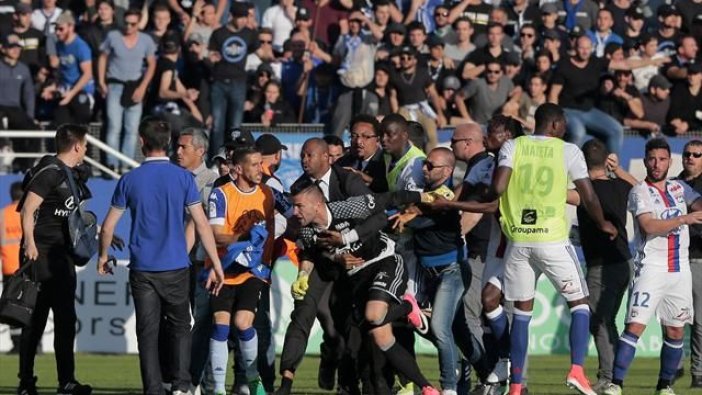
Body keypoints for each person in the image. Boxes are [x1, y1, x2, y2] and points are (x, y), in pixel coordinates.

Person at [486, 103, 617, 395]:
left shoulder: (513, 145)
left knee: (521, 312)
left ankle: (516, 386)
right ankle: (577, 371)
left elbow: (497, 188)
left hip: (519, 240)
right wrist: (603, 223)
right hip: (552, 239)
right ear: (556, 125)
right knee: (580, 303)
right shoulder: (568, 150)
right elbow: (589, 195)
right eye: (565, 124)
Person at [97, 118, 225, 395]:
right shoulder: (183, 178)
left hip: (143, 268)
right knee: (181, 327)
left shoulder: (129, 180)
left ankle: (153, 389)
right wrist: (216, 263)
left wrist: (103, 255)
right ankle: (181, 386)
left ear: (141, 142)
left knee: (148, 332)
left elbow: (108, 226)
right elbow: (201, 224)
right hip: (177, 266)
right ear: (167, 142)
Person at [290, 184, 440, 395]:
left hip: (384, 261)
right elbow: (315, 252)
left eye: (299, 206)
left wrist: (424, 195)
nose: (295, 212)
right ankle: (428, 387)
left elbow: (389, 199)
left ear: (317, 204)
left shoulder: (345, 208)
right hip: (357, 280)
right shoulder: (307, 231)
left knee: (373, 316)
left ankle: (408, 306)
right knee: (380, 335)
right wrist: (326, 263)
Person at [275, 137, 382, 395]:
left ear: (326, 158)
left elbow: (374, 213)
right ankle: (286, 382)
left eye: (309, 155)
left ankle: (346, 379)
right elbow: (301, 234)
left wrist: (347, 242)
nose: (303, 159)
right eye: (301, 155)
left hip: (353, 263)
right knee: (302, 314)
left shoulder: (348, 181)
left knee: (346, 326)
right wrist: (305, 268)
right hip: (319, 261)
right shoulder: (299, 187)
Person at [604, 138, 702, 395]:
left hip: (679, 270)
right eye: (652, 159)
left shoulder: (680, 188)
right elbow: (648, 226)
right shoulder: (640, 192)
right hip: (651, 268)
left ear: (670, 161)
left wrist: (694, 210)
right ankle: (616, 383)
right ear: (646, 161)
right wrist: (684, 218)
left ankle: (665, 385)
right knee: (635, 326)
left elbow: (699, 207)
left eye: (662, 159)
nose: (656, 164)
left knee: (675, 329)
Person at [17, 124, 96, 395]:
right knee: (35, 320)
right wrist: (29, 242)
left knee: (66, 320)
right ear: (76, 146)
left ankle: (67, 381)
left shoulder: (70, 176)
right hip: (40, 255)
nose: (87, 149)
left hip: (62, 258)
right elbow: (27, 210)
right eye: (85, 144)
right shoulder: (49, 171)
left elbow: (71, 219)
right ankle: (26, 382)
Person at [207, 147, 275, 395]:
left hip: (252, 271)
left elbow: (293, 214)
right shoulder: (220, 195)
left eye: (261, 163)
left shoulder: (268, 194)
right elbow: (217, 236)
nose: (261, 169)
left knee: (243, 322)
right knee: (220, 326)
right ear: (238, 169)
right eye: (255, 165)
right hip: (222, 269)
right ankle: (217, 388)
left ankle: (253, 379)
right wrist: (245, 235)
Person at [577, 139, 636, 393]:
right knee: (606, 320)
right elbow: (646, 189)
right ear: (606, 160)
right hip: (624, 261)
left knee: (599, 320)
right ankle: (611, 375)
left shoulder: (583, 190)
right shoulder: (622, 186)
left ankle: (608, 377)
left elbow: (561, 195)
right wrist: (619, 169)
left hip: (603, 265)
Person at [177, 127, 219, 394]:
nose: (177, 152)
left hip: (200, 261)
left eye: (184, 147)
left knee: (203, 321)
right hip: (176, 260)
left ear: (200, 151)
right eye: (177, 147)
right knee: (178, 322)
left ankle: (199, 380)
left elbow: (207, 224)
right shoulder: (172, 178)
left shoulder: (212, 181)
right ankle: (181, 379)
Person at [98, 8, 157, 169]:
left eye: (133, 24)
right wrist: (102, 82)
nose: (129, 27)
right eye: (127, 23)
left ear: (138, 24)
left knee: (131, 129)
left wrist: (143, 87)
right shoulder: (113, 37)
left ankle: (126, 165)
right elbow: (102, 58)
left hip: (135, 87)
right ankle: (111, 165)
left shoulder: (146, 40)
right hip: (115, 85)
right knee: (114, 127)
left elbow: (152, 64)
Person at [207, 2, 256, 159]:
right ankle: (217, 158)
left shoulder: (250, 34)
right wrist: (211, 58)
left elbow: (259, 51)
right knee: (217, 126)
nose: (242, 21)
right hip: (219, 83)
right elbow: (210, 54)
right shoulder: (219, 33)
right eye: (239, 17)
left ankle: (233, 159)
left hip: (239, 83)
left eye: (245, 17)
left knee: (235, 126)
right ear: (231, 16)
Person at [677, 139, 702, 388]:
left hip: (699, 258)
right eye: (687, 154)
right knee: (671, 317)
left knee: (700, 321)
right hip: (674, 257)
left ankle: (698, 372)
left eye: (696, 154)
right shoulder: (674, 184)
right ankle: (673, 366)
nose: (691, 158)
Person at [42, 11, 94, 126]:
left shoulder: (80, 46)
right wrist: (54, 87)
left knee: (79, 128)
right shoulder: (60, 45)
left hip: (82, 91)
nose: (57, 32)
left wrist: (71, 94)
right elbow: (63, 72)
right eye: (56, 29)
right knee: (59, 126)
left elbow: (87, 74)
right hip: (65, 91)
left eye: (61, 29)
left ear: (71, 27)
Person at [337, 114, 389, 193]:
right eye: (354, 136)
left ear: (378, 140)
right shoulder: (342, 163)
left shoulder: (386, 164)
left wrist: (368, 179)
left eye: (366, 136)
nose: (358, 142)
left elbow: (389, 190)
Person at [1, 181, 23, 354]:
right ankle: (34, 343)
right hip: (28, 266)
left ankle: (17, 344)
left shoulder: (2, 215)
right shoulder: (29, 213)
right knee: (30, 306)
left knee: (12, 307)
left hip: (9, 267)